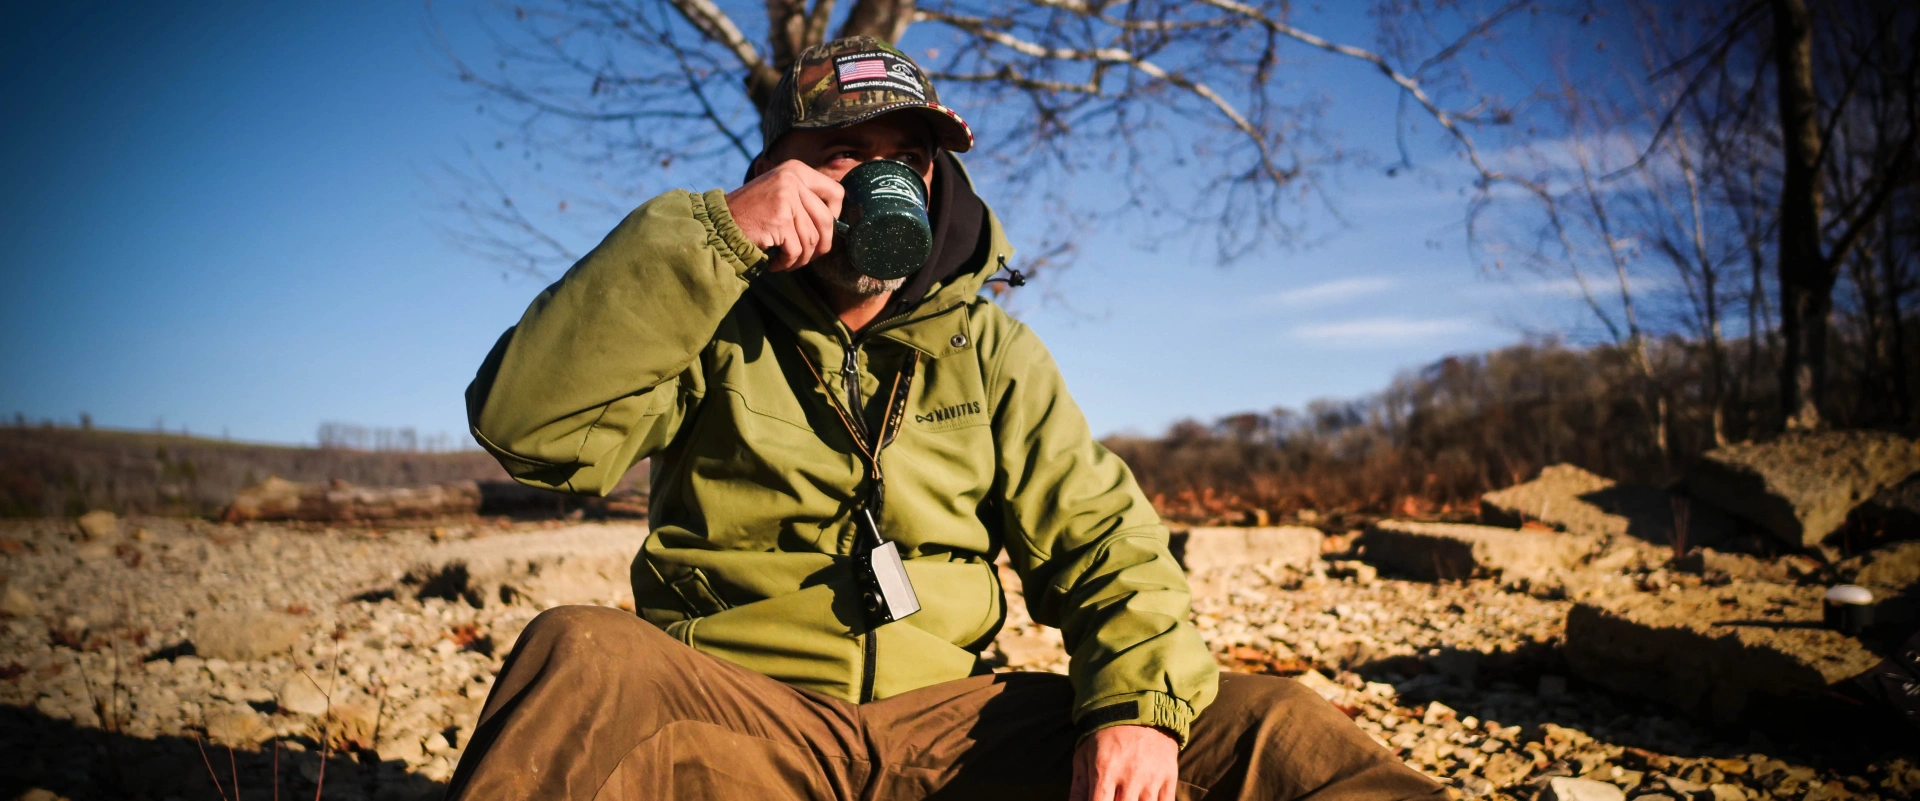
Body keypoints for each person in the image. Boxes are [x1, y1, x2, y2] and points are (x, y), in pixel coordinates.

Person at [448, 35, 1446, 801]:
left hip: (949, 737)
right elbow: (528, 429)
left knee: (1266, 725)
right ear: (781, 171)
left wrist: (1139, 709)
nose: (881, 179)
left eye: (906, 157)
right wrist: (708, 237)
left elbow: (1111, 549)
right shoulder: (706, 317)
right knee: (577, 653)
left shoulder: (993, 351)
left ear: (936, 181)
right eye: (844, 154)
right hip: (745, 723)